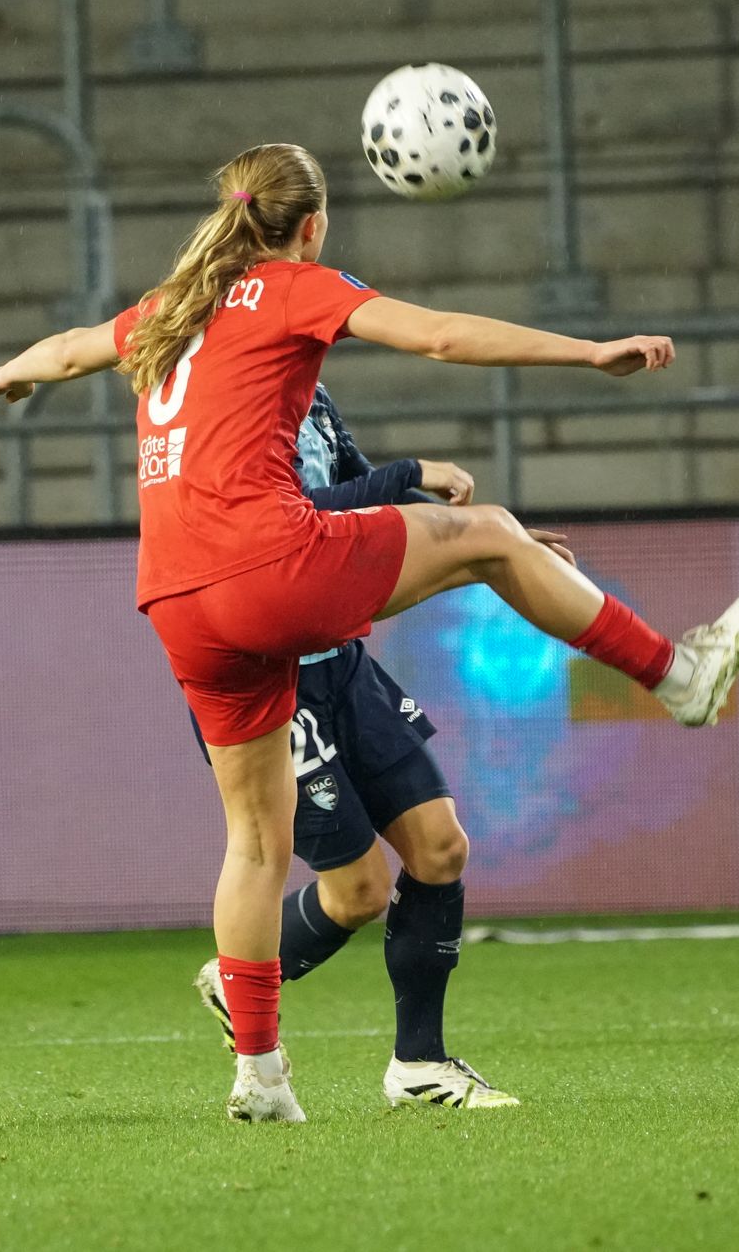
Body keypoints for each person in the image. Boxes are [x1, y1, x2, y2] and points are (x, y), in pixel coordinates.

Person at [0, 142, 739, 1123]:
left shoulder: (169, 310)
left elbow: (65, 351)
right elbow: (440, 336)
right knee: (488, 534)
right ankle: (677, 674)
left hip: (176, 601)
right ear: (309, 225)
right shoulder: (292, 287)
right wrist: (588, 352)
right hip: (267, 567)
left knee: (252, 844)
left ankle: (261, 1075)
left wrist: (10, 376)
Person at [183, 384, 515, 1109]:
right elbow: (296, 518)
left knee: (441, 848)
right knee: (358, 889)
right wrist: (412, 472)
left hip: (345, 663)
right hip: (271, 678)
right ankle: (246, 975)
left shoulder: (313, 393)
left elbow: (357, 488)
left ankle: (420, 1065)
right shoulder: (225, 400)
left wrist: (491, 546)